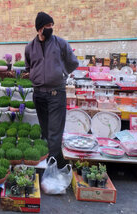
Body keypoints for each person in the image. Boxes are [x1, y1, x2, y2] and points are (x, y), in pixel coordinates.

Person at [25, 12, 79, 169]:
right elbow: (29, 66)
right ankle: (48, 162)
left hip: (56, 93)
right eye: (47, 26)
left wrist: (61, 72)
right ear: (39, 28)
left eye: (51, 26)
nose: (50, 29)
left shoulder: (60, 44)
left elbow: (73, 63)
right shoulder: (30, 47)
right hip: (39, 93)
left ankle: (54, 166)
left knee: (55, 132)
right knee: (46, 130)